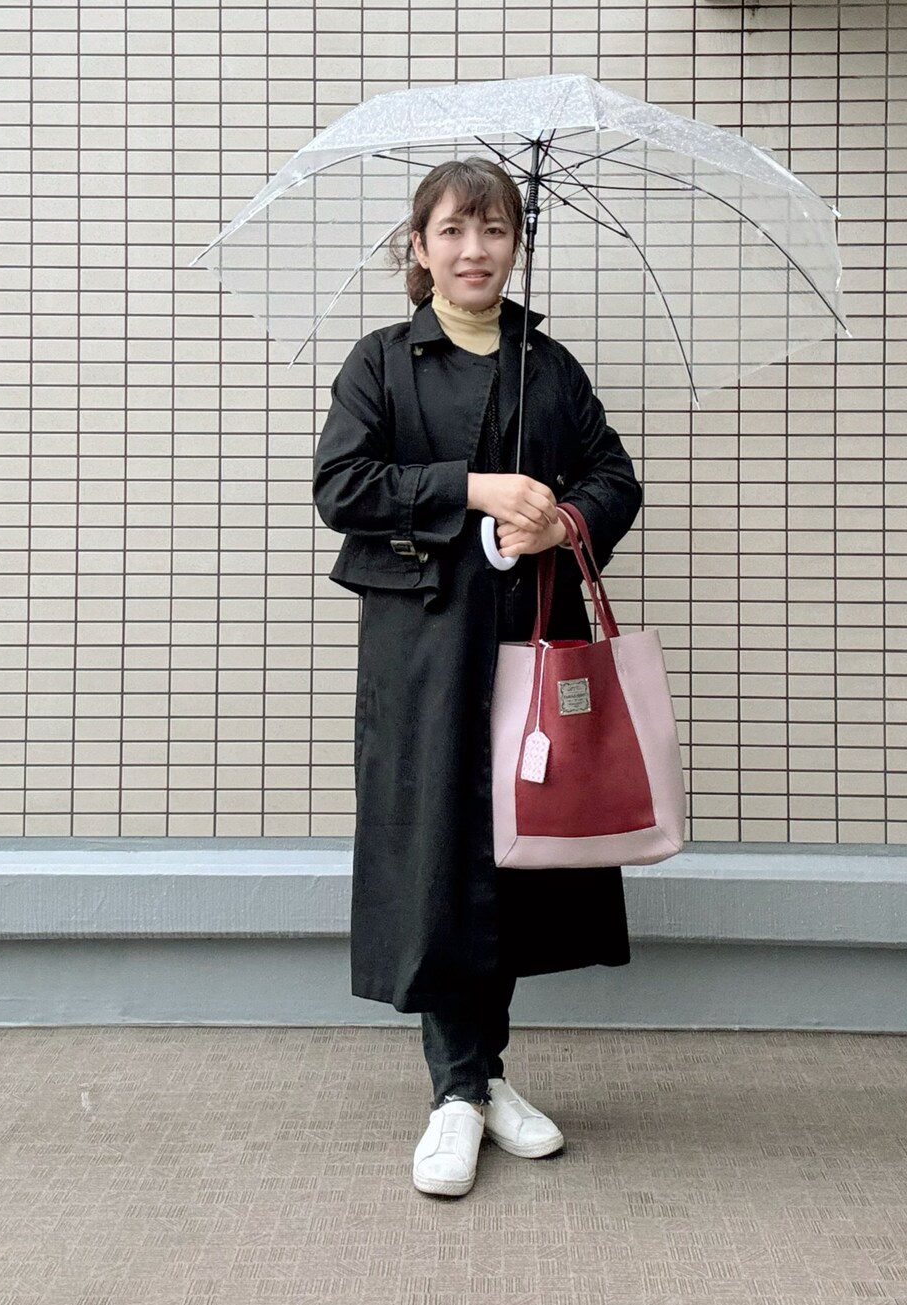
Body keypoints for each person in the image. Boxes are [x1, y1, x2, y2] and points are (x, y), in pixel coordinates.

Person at [313, 157, 642, 1198]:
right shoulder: (380, 362)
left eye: (494, 230)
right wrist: (474, 487)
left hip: (529, 645)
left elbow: (614, 476)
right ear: (417, 247)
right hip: (423, 652)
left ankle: (482, 1078)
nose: (474, 250)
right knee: (438, 855)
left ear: (516, 244)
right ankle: (458, 1091)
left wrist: (563, 520)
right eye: (453, 230)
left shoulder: (549, 367)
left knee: (511, 856)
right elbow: (343, 485)